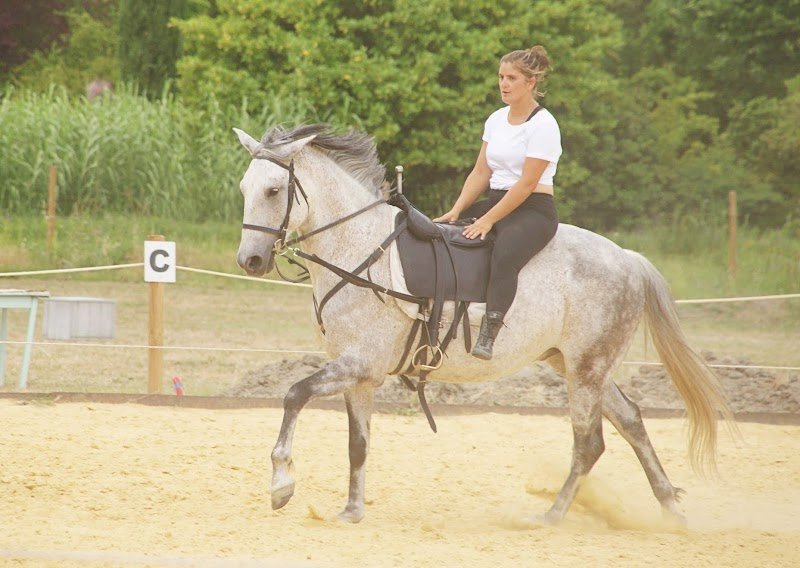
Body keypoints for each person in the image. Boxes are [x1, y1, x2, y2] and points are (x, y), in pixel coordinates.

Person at [433, 45, 562, 360]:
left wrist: (488, 220)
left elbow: (527, 184)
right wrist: (457, 210)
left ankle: (490, 332)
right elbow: (480, 171)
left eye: (512, 78)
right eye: (501, 77)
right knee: (439, 233)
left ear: (530, 82)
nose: (503, 84)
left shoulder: (544, 125)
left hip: (532, 209)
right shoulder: (495, 120)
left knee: (505, 254)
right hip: (496, 200)